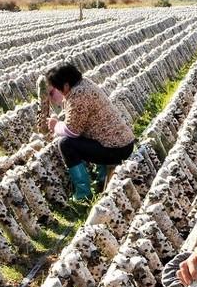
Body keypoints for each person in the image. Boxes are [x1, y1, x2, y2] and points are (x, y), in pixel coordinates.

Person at [41, 63, 136, 201]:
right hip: (122, 143)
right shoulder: (84, 84)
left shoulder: (78, 95)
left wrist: (55, 125)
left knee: (66, 144)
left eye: (54, 90)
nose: (53, 95)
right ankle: (102, 177)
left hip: (116, 150)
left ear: (66, 85)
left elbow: (72, 131)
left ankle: (83, 194)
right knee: (90, 135)